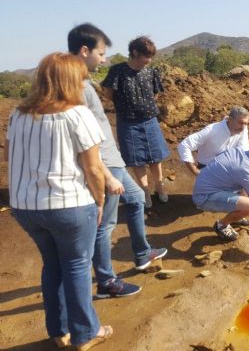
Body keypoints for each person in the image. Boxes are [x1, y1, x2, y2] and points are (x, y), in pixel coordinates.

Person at [5, 52, 112, 350]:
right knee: (77, 266)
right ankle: (86, 333)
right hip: (69, 205)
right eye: (81, 79)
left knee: (52, 265)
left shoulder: (18, 114)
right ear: (70, 81)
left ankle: (59, 330)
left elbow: (9, 157)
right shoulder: (78, 115)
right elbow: (93, 169)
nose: (84, 84)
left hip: (26, 207)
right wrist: (99, 201)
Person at [68, 24, 167, 298]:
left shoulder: (85, 83)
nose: (104, 59)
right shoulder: (77, 86)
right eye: (101, 53)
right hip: (105, 164)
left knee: (135, 198)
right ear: (85, 50)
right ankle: (106, 282)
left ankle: (143, 254)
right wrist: (102, 171)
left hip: (114, 160)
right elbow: (80, 133)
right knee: (105, 225)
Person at [101, 36, 169, 208]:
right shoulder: (118, 71)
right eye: (146, 56)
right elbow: (108, 93)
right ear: (135, 52)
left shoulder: (150, 72)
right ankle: (145, 191)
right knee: (136, 159)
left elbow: (155, 94)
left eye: (151, 56)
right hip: (128, 122)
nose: (149, 60)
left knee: (155, 156)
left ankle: (159, 186)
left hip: (149, 120)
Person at [178, 106, 249, 175]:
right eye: (240, 123)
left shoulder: (242, 129)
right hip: (207, 169)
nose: (243, 127)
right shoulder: (212, 130)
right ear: (230, 120)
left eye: (246, 124)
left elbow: (244, 150)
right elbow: (185, 145)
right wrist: (194, 170)